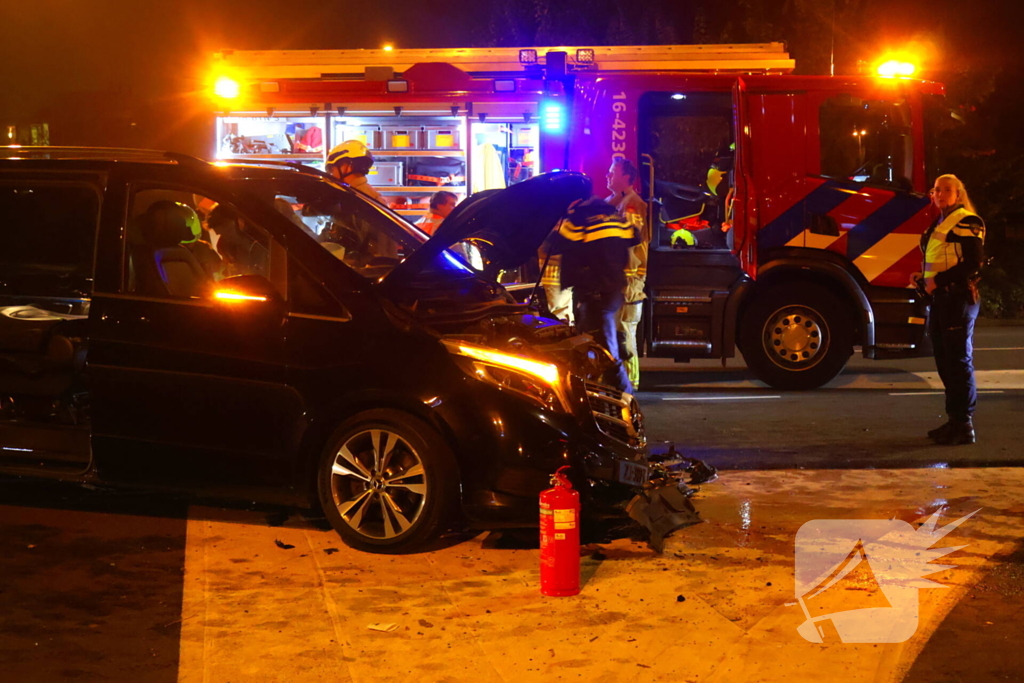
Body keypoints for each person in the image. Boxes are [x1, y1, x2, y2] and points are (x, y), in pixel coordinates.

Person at [917, 174, 986, 445]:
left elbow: (974, 263)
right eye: (937, 190)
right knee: (945, 362)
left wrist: (938, 281)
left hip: (957, 298)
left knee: (958, 362)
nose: (941, 194)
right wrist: (923, 278)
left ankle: (964, 425)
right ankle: (954, 420)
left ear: (958, 194)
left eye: (947, 190)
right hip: (942, 299)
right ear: (931, 195)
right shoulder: (941, 222)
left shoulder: (967, 220)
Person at [548, 198, 641, 394]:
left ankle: (624, 395)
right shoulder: (615, 218)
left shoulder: (580, 220)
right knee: (596, 342)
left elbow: (555, 244)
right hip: (612, 290)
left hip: (594, 292)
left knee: (605, 349)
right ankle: (591, 393)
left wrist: (563, 220)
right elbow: (635, 236)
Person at [606, 158, 650, 390]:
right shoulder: (615, 202)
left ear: (626, 178)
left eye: (613, 172)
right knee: (616, 331)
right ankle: (621, 383)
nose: (607, 175)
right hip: (618, 279)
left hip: (629, 279)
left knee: (625, 331)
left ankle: (630, 385)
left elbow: (629, 239)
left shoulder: (632, 204)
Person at [326, 140, 384, 204]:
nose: (331, 174)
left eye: (332, 170)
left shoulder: (351, 197)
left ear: (346, 166)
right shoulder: (371, 195)